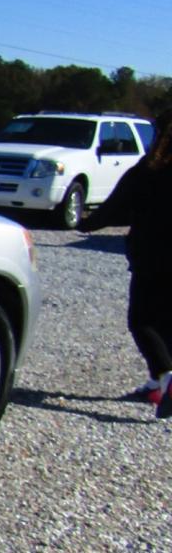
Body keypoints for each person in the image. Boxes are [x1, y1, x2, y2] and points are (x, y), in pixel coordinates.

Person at [79, 107, 172, 419]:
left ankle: (167, 376)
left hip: (154, 254)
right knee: (166, 321)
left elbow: (117, 206)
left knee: (143, 320)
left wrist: (85, 224)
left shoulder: (151, 169)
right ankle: (156, 383)